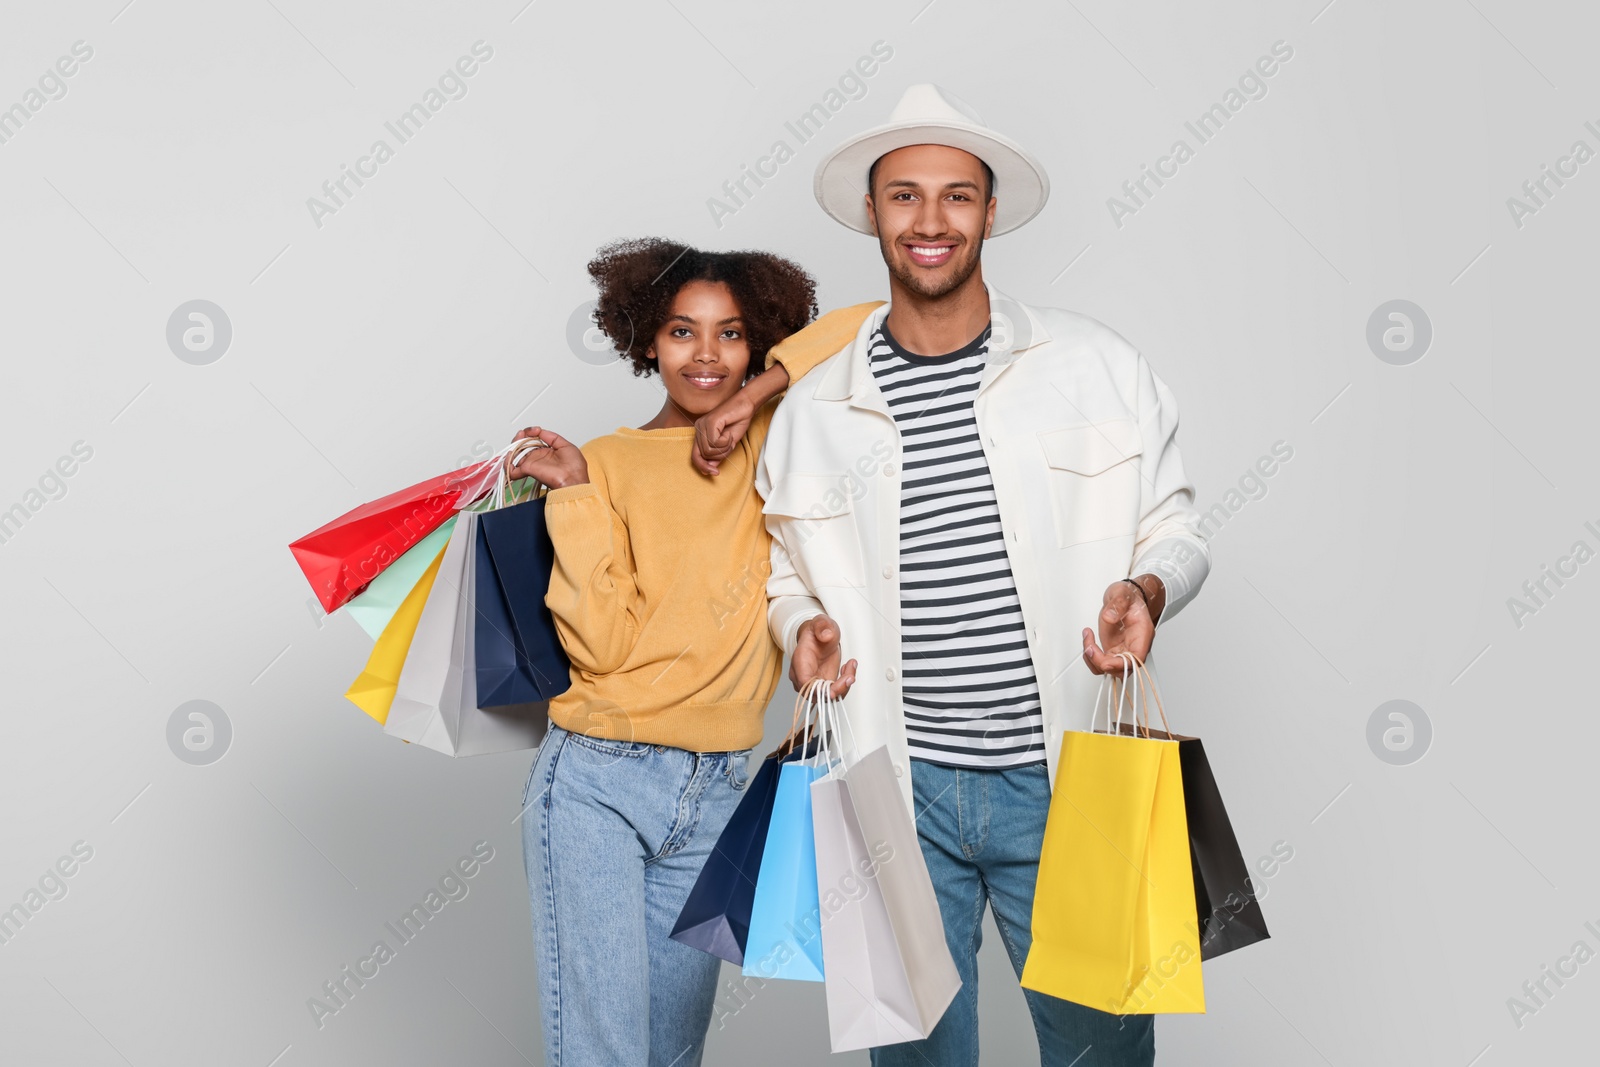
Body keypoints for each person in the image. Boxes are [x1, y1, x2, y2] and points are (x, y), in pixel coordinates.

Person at [701, 84, 1213, 1066]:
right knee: (912, 1056)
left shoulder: (1095, 366)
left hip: (1066, 776)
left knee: (1101, 1050)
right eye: (903, 196)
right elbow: (779, 572)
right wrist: (796, 623)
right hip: (892, 785)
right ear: (871, 213)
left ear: (987, 212)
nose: (929, 221)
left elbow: (1177, 527)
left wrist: (1146, 590)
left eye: (954, 197)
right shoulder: (812, 411)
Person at [505, 238, 865, 1067]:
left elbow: (875, 325)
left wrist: (763, 392)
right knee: (604, 1056)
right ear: (646, 342)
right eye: (680, 332)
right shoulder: (610, 462)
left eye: (731, 334)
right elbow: (600, 645)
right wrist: (577, 497)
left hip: (718, 790)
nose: (705, 356)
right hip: (597, 778)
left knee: (672, 1057)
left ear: (760, 342)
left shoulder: (777, 432)